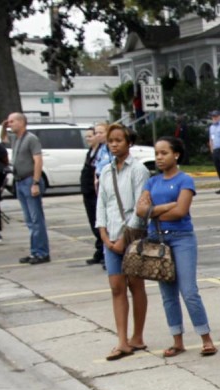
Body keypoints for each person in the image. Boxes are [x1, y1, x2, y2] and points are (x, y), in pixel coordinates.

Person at [137, 136, 216, 359]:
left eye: (164, 153)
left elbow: (181, 211)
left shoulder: (185, 180)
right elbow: (140, 210)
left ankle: (205, 337)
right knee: (167, 294)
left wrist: (155, 210)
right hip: (158, 240)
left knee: (189, 291)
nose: (160, 158)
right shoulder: (152, 182)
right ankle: (177, 340)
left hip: (182, 238)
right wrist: (166, 206)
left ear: (176, 155)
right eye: (157, 154)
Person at [95, 124, 150, 361]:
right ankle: (122, 340)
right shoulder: (106, 171)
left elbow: (140, 209)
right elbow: (102, 204)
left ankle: (137, 336)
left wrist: (123, 239)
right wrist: (104, 234)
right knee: (116, 287)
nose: (114, 144)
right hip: (111, 237)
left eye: (119, 140)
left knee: (135, 285)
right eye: (111, 141)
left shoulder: (138, 170)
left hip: (131, 236)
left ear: (129, 143)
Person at [6, 112, 51, 264]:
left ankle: (42, 252)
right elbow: (1, 138)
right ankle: (34, 251)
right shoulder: (16, 139)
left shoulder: (31, 139)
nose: (9, 124)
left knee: (36, 219)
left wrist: (36, 182)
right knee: (29, 220)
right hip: (19, 181)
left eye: (12, 121)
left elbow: (38, 161)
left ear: (21, 122)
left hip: (29, 180)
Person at [81, 123, 107, 264]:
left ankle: (104, 251)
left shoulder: (104, 151)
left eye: (96, 134)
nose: (90, 138)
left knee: (101, 222)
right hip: (88, 191)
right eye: (89, 136)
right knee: (93, 221)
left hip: (96, 191)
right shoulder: (91, 152)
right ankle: (99, 249)